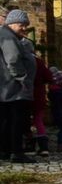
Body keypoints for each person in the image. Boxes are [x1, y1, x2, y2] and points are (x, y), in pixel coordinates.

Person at [0, 8, 28, 162]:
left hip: (4, 87)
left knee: (5, 120)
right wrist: (22, 79)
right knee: (15, 120)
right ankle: (16, 152)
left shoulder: (4, 34)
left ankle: (4, 151)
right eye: (21, 24)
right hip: (11, 86)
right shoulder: (8, 38)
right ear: (11, 23)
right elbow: (13, 60)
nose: (24, 28)